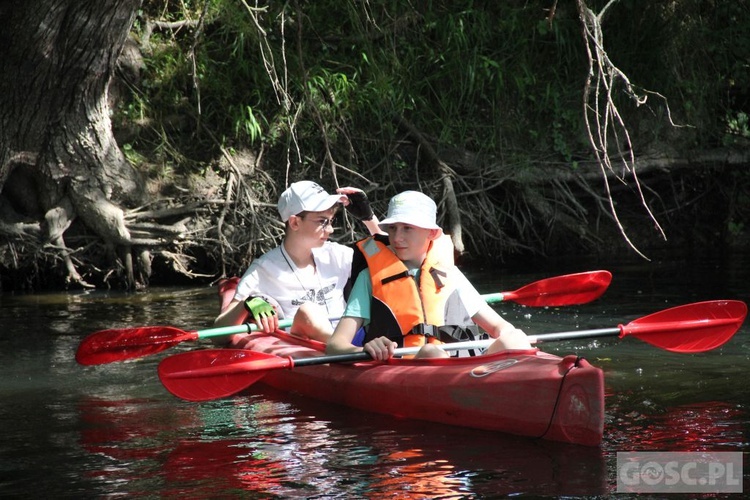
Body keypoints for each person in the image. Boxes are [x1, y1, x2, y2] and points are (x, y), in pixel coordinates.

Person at [326, 190, 532, 360]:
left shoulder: (450, 273)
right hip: (409, 368)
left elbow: (499, 326)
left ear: (432, 233)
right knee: (431, 352)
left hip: (466, 367)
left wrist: (508, 334)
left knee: (515, 338)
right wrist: (365, 350)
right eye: (393, 228)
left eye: (407, 228)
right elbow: (335, 345)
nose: (397, 237)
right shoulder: (369, 277)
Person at [213, 180, 381, 347]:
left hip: (352, 337)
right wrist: (245, 304)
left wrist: (369, 219)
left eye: (331, 221)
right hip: (309, 347)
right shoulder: (263, 270)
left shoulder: (337, 254)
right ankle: (342, 347)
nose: (330, 230)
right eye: (322, 221)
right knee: (308, 310)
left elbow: (391, 262)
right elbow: (218, 336)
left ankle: (347, 346)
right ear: (294, 223)